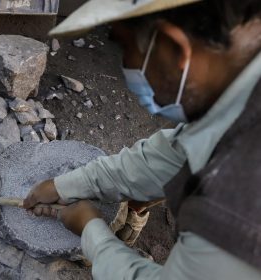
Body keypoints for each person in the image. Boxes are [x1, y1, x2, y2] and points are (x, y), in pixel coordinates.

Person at [23, 0, 261, 279]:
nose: (126, 64)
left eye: (124, 47)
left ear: (174, 49)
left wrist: (93, 234)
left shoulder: (231, 207)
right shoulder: (239, 102)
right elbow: (171, 155)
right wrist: (67, 185)